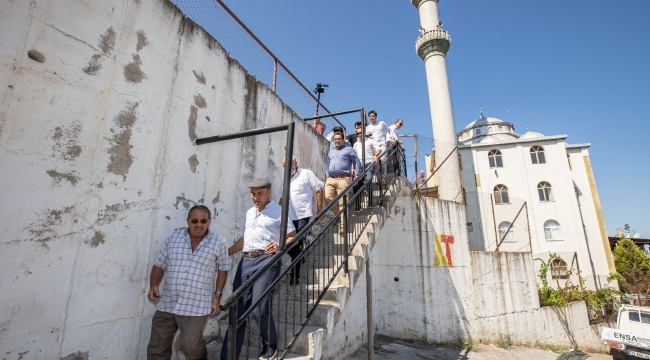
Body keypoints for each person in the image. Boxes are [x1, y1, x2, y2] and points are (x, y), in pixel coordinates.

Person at [220, 179, 296, 360]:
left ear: (269, 192)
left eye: (260, 193)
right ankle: (228, 355)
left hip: (266, 260)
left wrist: (279, 246)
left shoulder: (279, 211)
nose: (256, 197)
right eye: (253, 193)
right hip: (246, 261)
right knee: (237, 310)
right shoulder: (250, 212)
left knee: (259, 308)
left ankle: (270, 344)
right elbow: (246, 238)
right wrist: (227, 252)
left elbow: (293, 237)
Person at [147, 205, 229, 360]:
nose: (199, 224)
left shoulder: (219, 242)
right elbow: (159, 264)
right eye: (195, 220)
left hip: (196, 306)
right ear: (188, 221)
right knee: (157, 347)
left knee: (190, 346)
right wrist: (154, 286)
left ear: (209, 221)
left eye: (203, 221)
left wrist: (217, 295)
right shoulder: (174, 238)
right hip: (168, 303)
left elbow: (223, 270)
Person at [279, 157, 324, 285]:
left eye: (289, 164)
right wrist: (277, 214)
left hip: (302, 215)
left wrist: (319, 210)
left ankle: (295, 275)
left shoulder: (306, 174)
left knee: (295, 243)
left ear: (296, 163)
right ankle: (300, 257)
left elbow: (319, 189)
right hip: (288, 217)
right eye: (284, 165)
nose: (287, 167)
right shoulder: (284, 180)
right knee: (289, 245)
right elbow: (282, 199)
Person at [325, 133, 362, 221]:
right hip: (331, 179)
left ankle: (343, 227)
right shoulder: (331, 151)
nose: (337, 141)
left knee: (343, 202)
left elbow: (356, 162)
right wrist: (327, 176)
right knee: (327, 199)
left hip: (343, 178)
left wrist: (357, 176)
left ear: (343, 140)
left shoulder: (349, 149)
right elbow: (327, 164)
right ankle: (339, 214)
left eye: (339, 139)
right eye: (335, 139)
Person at [352, 125, 381, 210]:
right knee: (357, 184)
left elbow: (379, 149)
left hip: (368, 163)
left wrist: (375, 155)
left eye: (361, 132)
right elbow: (354, 156)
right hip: (359, 165)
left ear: (365, 133)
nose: (360, 134)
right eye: (358, 133)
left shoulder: (370, 141)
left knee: (368, 181)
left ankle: (370, 202)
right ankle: (358, 206)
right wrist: (353, 167)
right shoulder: (356, 144)